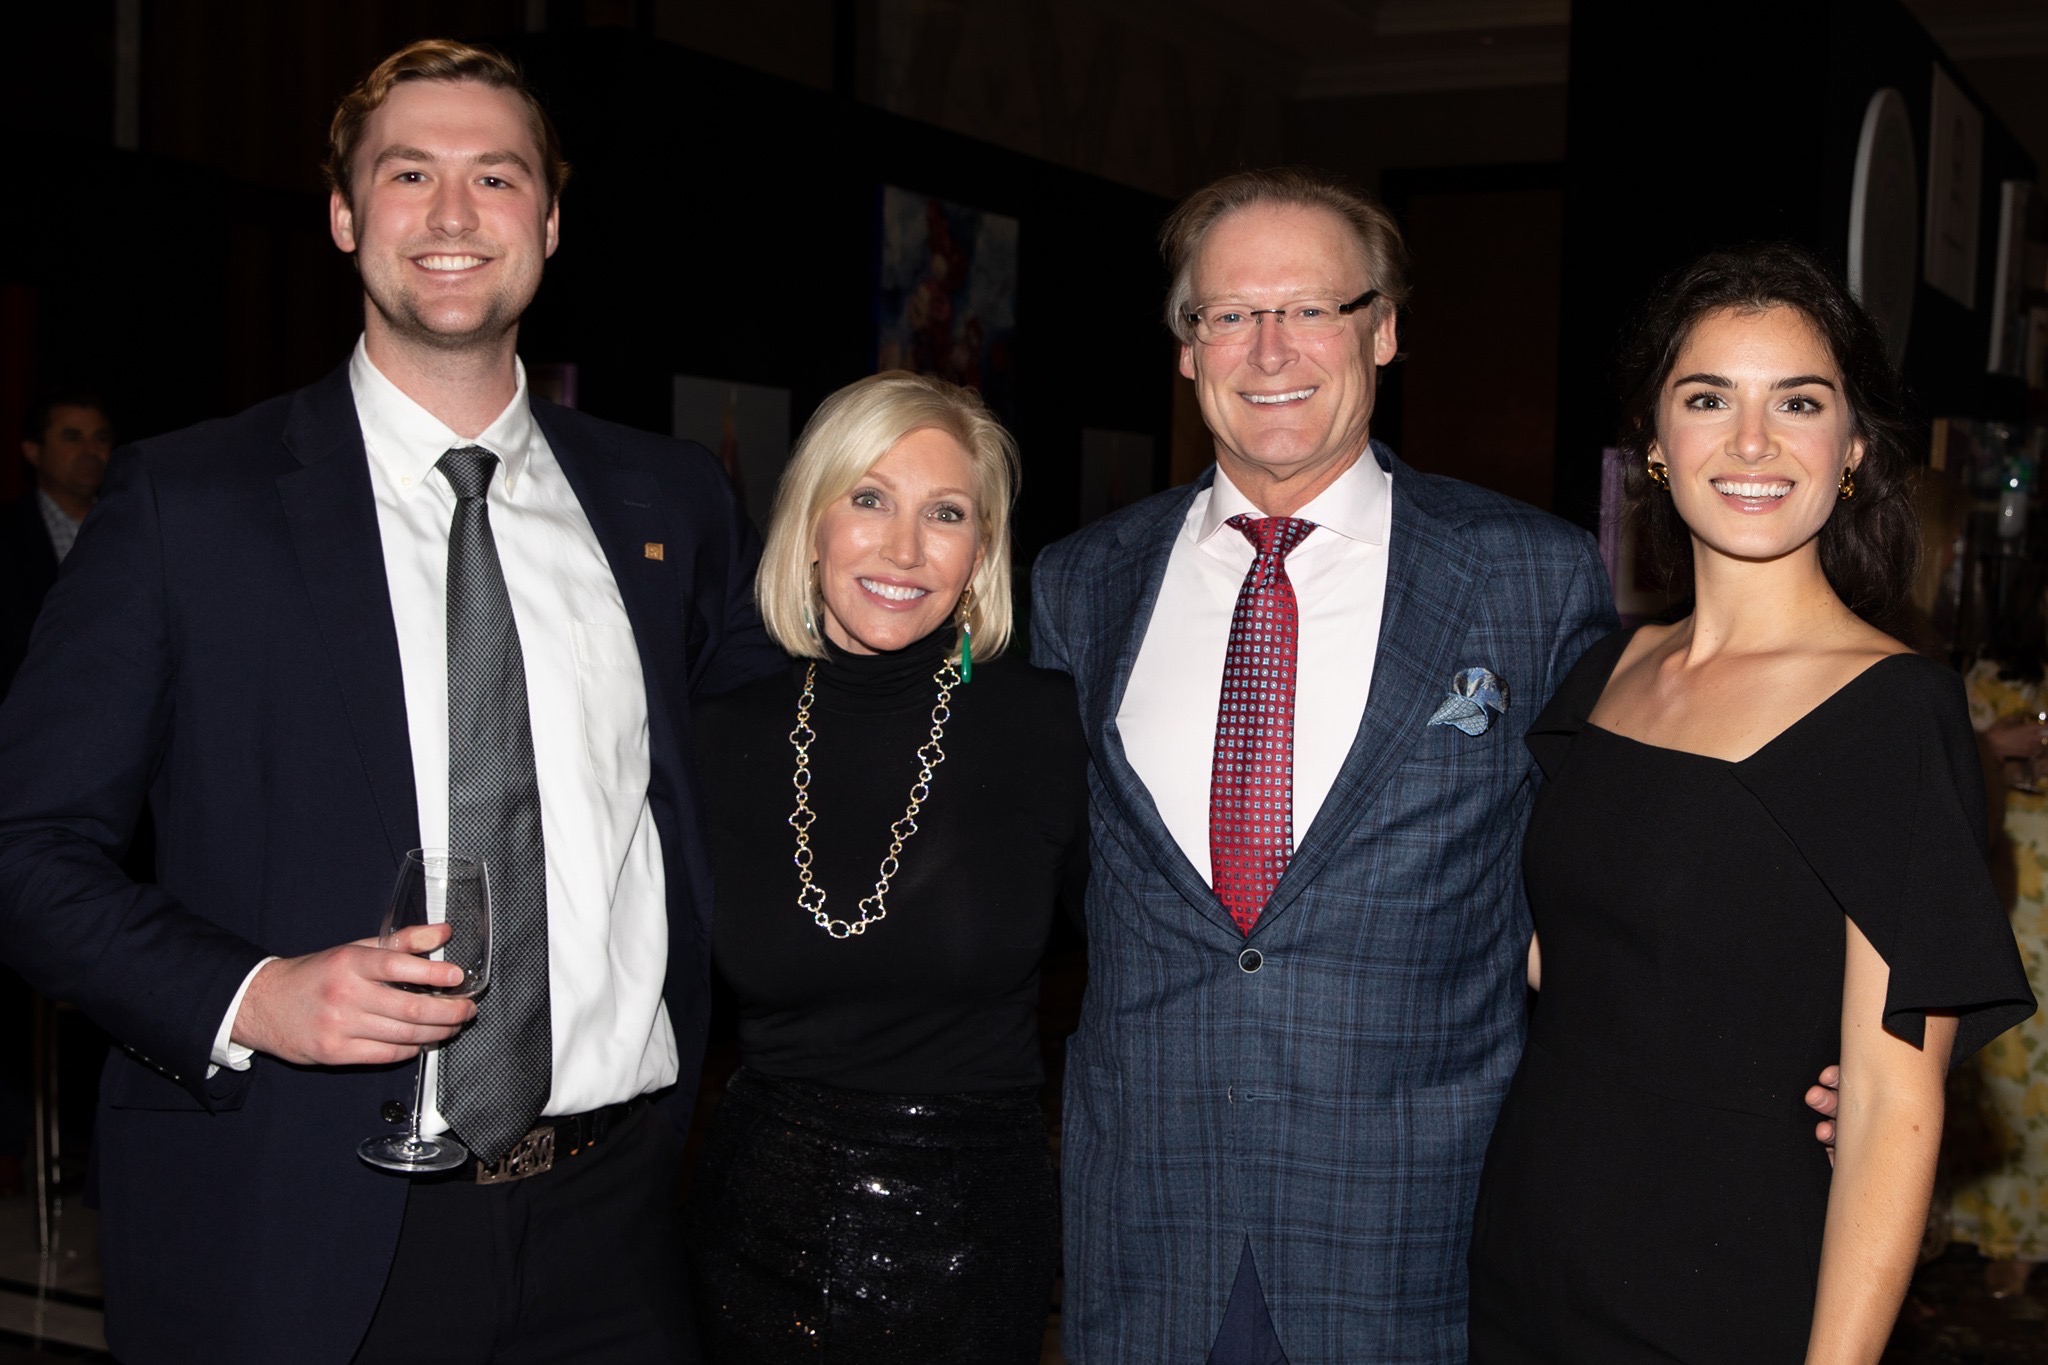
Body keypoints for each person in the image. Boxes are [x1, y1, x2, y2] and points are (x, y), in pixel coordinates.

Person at [0, 39, 781, 1365]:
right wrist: (252, 994)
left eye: (497, 175)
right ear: (346, 215)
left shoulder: (668, 506)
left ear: (548, 218)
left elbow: (777, 776)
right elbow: (24, 852)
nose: (455, 214)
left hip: (617, 1232)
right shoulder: (188, 505)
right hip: (300, 1232)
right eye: (410, 173)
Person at [1030, 166, 1618, 1362]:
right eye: (1227, 315)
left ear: (1383, 329)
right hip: (1145, 1235)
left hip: (1414, 1233)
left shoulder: (1530, 578)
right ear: (1186, 350)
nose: (1268, 349)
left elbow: (1610, 881)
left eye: (1309, 308)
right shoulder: (1078, 585)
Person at [1465, 243, 2036, 1362]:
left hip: (1725, 1284)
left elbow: (1883, 1110)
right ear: (1652, 448)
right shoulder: (1601, 673)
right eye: (1707, 398)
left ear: (1855, 448)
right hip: (1529, 1253)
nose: (1751, 441)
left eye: (1798, 402)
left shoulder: (1889, 713)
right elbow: (1557, 963)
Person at [686, 370, 1085, 1362]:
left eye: (943, 513)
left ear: (981, 552)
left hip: (972, 1230)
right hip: (751, 1219)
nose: (902, 548)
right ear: (810, 521)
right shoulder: (714, 739)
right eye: (868, 499)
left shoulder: (1045, 728)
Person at [1950, 567, 2048, 1299]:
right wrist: (1996, 742)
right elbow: (1945, 753)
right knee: (2003, 1055)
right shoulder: (1984, 668)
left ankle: (2031, 1236)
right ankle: (1979, 1226)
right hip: (2005, 874)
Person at [0, 395, 113, 694]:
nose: (91, 451)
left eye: (100, 438)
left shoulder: (132, 526)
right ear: (33, 451)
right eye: (72, 438)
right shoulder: (8, 534)